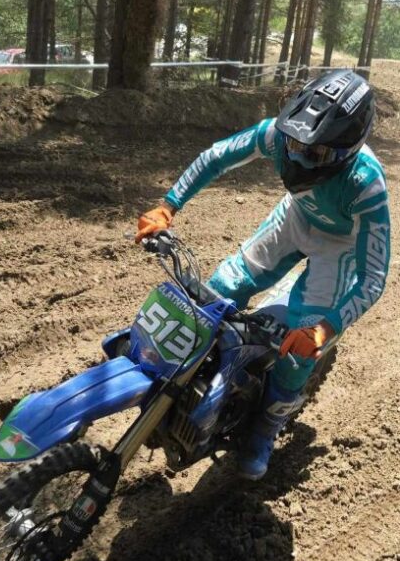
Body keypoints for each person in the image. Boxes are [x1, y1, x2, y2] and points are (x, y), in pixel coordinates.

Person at [135, 69, 390, 481]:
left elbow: (374, 275)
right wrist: (168, 205)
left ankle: (264, 430)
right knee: (218, 292)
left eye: (316, 153)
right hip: (295, 218)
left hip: (340, 246)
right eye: (296, 144)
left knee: (300, 347)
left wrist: (325, 329)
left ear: (348, 150)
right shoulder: (279, 134)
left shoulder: (366, 185)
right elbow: (217, 156)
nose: (300, 157)